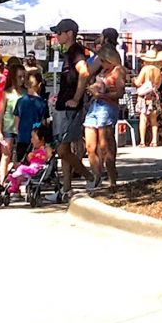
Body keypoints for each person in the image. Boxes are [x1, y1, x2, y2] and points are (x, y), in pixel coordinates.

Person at [52, 18, 93, 197]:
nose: (57, 35)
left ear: (69, 33)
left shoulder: (75, 51)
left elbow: (84, 72)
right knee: (65, 150)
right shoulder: (68, 53)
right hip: (63, 105)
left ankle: (89, 176)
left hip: (70, 108)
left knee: (61, 148)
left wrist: (76, 98)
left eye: (59, 32)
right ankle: (66, 188)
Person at [84, 43, 124, 192]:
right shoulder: (102, 72)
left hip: (107, 107)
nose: (101, 64)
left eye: (103, 60)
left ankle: (112, 178)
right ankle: (96, 175)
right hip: (95, 105)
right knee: (90, 145)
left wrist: (101, 94)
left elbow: (119, 93)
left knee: (105, 145)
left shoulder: (117, 71)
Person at [0, 57, 26, 189]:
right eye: (19, 77)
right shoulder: (7, 93)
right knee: (6, 155)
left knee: (18, 158)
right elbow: (1, 113)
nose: (22, 79)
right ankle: (2, 182)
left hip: (22, 128)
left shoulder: (25, 93)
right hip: (8, 127)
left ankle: (16, 184)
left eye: (23, 77)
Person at [5, 124, 52, 197]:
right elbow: (29, 160)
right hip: (31, 168)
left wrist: (42, 157)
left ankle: (14, 178)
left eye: (33, 138)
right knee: (21, 167)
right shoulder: (34, 150)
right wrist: (30, 156)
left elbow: (49, 158)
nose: (31, 140)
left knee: (21, 168)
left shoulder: (46, 148)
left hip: (39, 168)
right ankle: (15, 184)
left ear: (42, 139)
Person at [14, 70, 47, 163]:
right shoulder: (42, 103)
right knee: (35, 163)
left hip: (22, 136)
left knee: (21, 162)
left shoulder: (20, 101)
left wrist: (18, 132)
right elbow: (42, 121)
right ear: (40, 85)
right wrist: (35, 129)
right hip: (36, 137)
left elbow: (17, 119)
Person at [134, 51, 162, 147]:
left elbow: (138, 82)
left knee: (143, 118)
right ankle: (154, 141)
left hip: (144, 96)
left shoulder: (145, 69)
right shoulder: (158, 70)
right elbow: (158, 84)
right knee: (154, 119)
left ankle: (142, 141)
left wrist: (133, 80)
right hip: (154, 95)